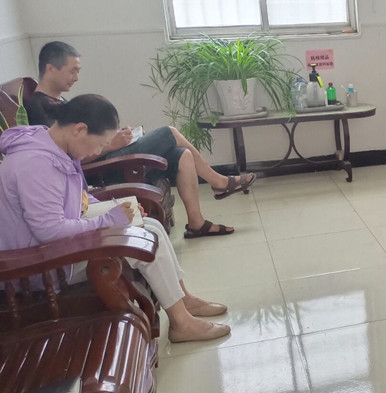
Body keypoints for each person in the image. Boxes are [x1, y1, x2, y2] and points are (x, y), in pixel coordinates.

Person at [0, 94, 232, 343]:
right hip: (41, 263)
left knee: (150, 226)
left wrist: (118, 209)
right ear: (80, 129)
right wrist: (110, 219)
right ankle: (181, 323)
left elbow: (78, 199)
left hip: (55, 246)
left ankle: (182, 301)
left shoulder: (51, 146)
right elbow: (49, 230)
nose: (97, 152)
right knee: (145, 236)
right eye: (100, 144)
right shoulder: (34, 164)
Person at [25, 41, 256, 239]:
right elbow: (69, 158)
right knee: (169, 133)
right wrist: (112, 144)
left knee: (181, 155)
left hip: (105, 156)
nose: (76, 77)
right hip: (97, 170)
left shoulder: (59, 102)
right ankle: (219, 182)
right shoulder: (40, 107)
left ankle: (197, 223)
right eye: (72, 71)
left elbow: (84, 140)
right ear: (51, 69)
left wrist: (116, 137)